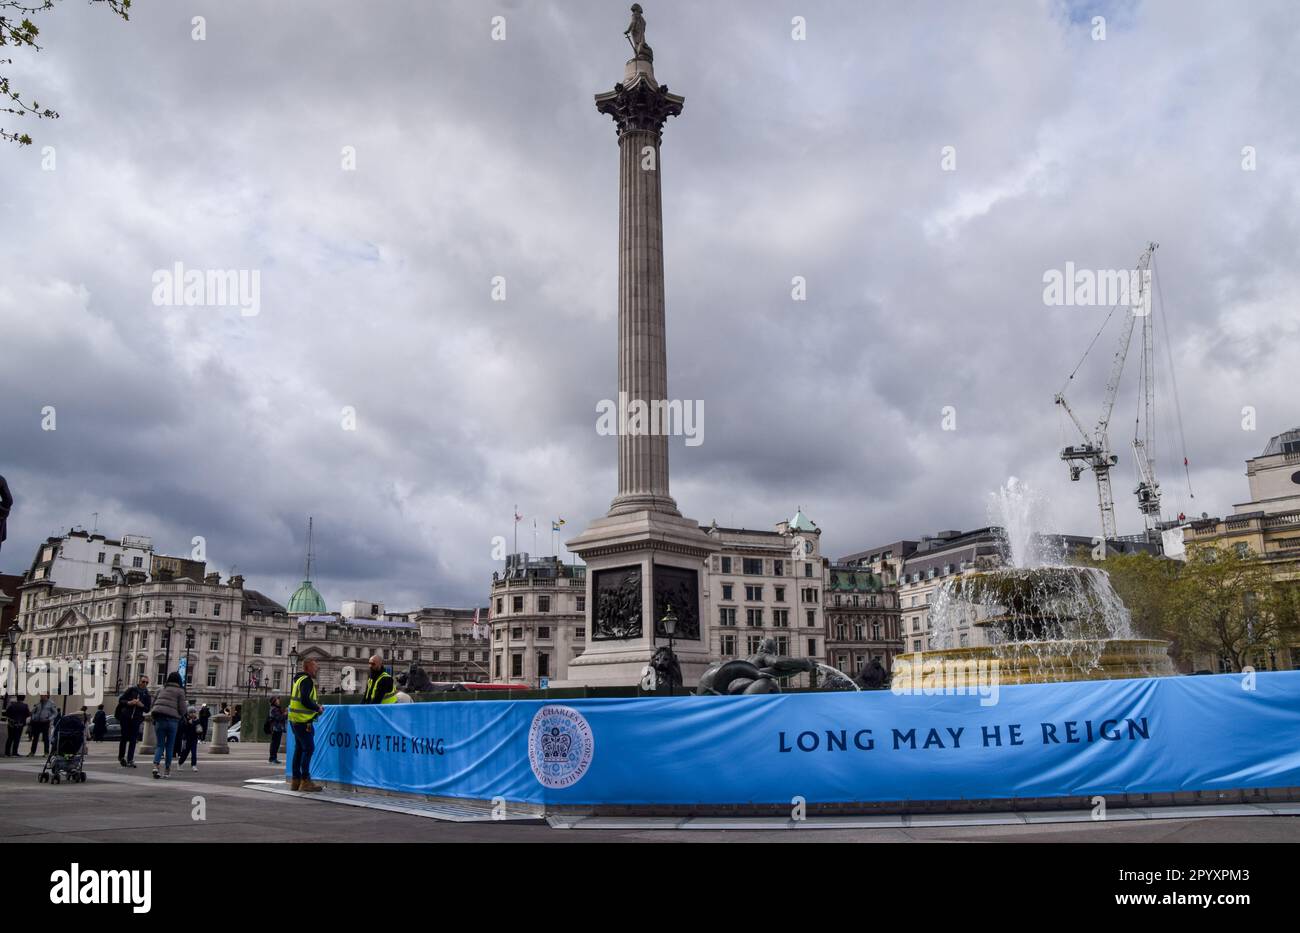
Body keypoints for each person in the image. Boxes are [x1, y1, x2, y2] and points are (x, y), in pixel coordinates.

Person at [287, 659, 326, 792]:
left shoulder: (298, 680)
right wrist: (317, 708)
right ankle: (305, 780)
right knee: (308, 749)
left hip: (295, 720)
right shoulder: (307, 680)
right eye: (315, 667)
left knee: (299, 750)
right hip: (303, 722)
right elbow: (305, 699)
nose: (317, 669)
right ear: (308, 668)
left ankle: (295, 780)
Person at [150, 672, 186, 778]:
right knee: (170, 746)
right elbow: (183, 709)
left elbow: (153, 705)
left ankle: (156, 766)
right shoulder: (180, 691)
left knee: (160, 745)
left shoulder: (160, 689)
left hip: (160, 719)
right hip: (172, 721)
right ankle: (167, 770)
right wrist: (180, 716)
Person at [116, 676, 151, 767]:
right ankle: (121, 757)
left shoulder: (147, 694)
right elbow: (121, 700)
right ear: (139, 681)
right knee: (124, 737)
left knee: (133, 739)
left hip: (137, 718)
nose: (145, 684)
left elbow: (147, 709)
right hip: (126, 716)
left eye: (147, 683)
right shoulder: (132, 690)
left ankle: (130, 759)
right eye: (143, 681)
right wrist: (129, 702)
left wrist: (141, 705)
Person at [176, 706, 200, 772]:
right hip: (186, 739)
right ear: (188, 713)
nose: (193, 714)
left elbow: (199, 728)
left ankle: (194, 765)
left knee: (194, 752)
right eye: (191, 712)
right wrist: (188, 724)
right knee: (185, 752)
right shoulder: (184, 720)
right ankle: (180, 763)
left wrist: (199, 730)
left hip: (194, 738)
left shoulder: (197, 720)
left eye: (194, 712)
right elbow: (182, 729)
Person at [267, 696, 287, 764]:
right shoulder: (274, 709)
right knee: (275, 744)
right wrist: (285, 714)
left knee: (276, 744)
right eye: (277, 700)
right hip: (276, 728)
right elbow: (279, 718)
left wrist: (284, 714)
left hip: (277, 728)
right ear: (274, 701)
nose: (279, 701)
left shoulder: (276, 708)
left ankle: (273, 758)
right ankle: (272, 758)